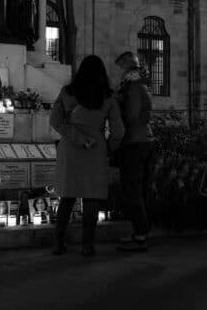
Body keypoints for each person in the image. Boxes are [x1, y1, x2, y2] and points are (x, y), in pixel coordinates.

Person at [49, 55, 124, 256]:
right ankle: (87, 245)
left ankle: (58, 243)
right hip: (95, 150)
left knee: (67, 197)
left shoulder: (67, 92)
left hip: (69, 148)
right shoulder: (108, 97)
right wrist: (109, 147)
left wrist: (77, 137)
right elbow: (118, 131)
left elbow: (55, 120)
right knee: (92, 198)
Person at [114, 51, 154, 252]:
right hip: (141, 139)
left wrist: (117, 105)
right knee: (136, 188)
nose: (118, 73)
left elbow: (132, 114)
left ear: (126, 67)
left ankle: (140, 236)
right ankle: (140, 233)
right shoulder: (140, 84)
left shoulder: (133, 86)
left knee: (132, 189)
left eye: (120, 68)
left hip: (134, 141)